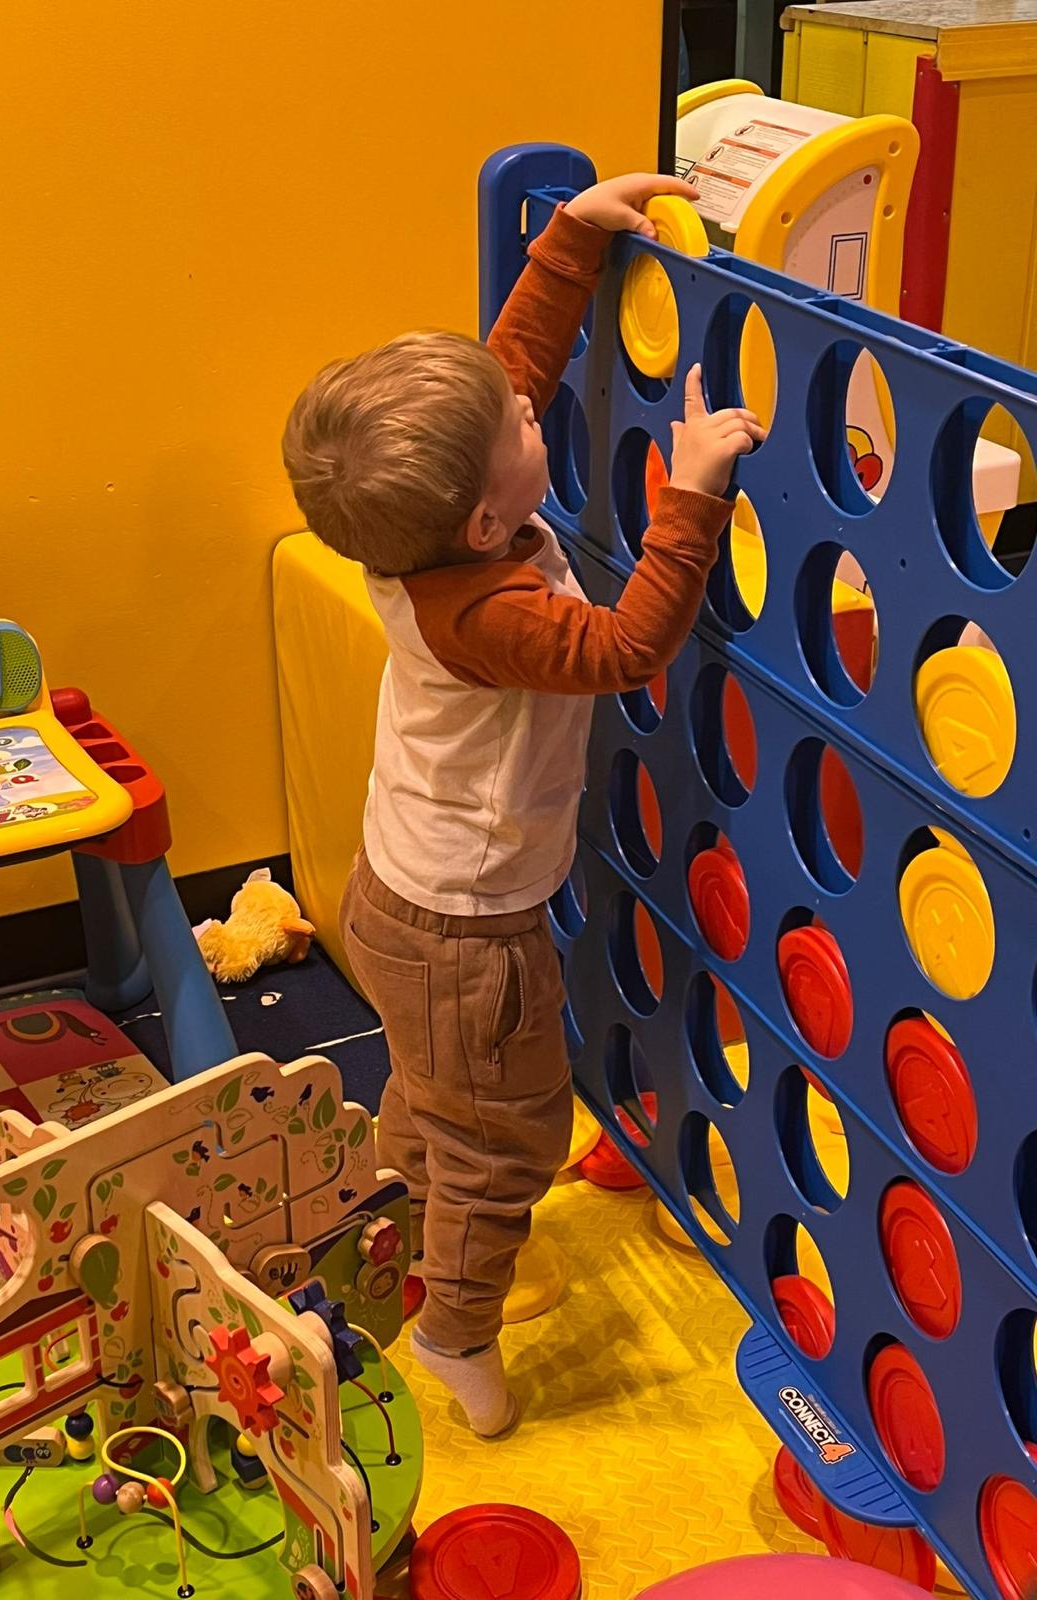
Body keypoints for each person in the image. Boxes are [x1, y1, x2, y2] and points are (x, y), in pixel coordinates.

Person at [282, 173, 764, 1437]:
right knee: (511, 1137)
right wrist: (695, 489)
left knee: (439, 1101)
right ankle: (452, 1336)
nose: (529, 406)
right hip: (465, 929)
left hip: (398, 896)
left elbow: (506, 374)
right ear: (490, 514)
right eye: (521, 431)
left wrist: (568, 241)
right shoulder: (488, 613)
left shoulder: (430, 526)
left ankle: (398, 1220)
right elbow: (623, 647)